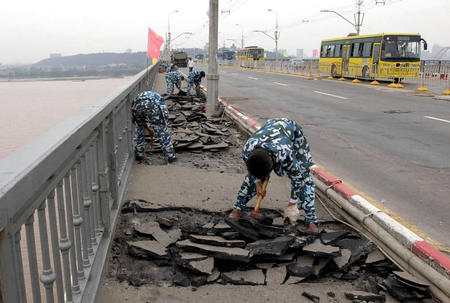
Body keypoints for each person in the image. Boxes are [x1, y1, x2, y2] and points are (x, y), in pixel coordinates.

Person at [228, 118, 319, 233]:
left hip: (293, 134)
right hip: (271, 126)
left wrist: (292, 203)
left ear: (271, 161)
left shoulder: (286, 154)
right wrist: (257, 184)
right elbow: (253, 173)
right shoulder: (247, 150)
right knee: (251, 179)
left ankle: (311, 220)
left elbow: (298, 179)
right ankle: (238, 208)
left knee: (305, 177)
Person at [131, 91, 176, 163]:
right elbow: (164, 117)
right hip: (152, 104)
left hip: (138, 104)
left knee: (139, 128)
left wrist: (148, 129)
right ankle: (169, 155)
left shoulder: (152, 96)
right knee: (162, 129)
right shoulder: (160, 100)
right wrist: (162, 124)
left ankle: (138, 153)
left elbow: (139, 120)